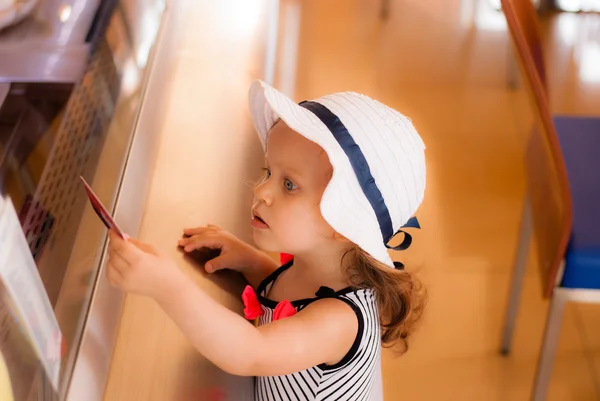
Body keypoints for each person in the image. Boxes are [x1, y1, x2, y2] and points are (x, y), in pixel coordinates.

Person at [106, 80, 427, 400]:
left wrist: (165, 285)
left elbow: (252, 352)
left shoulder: (340, 321)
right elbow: (289, 299)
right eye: (268, 171)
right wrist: (250, 260)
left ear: (342, 222)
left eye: (289, 185)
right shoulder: (319, 266)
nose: (261, 190)